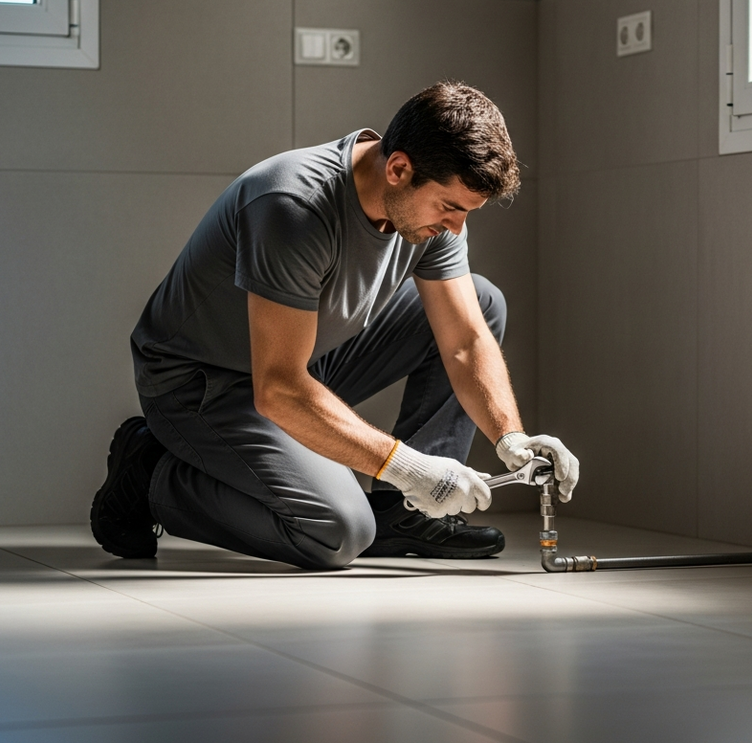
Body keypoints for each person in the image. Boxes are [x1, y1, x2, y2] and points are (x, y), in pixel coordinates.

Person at [90, 81, 579, 568]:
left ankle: (404, 513)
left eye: (466, 213)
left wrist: (510, 438)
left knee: (483, 300)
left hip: (303, 361)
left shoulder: (432, 213)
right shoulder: (293, 204)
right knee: (338, 533)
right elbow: (278, 388)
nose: (455, 228)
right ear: (398, 168)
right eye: (449, 208)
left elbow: (467, 341)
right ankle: (151, 471)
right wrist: (409, 468)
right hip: (201, 383)